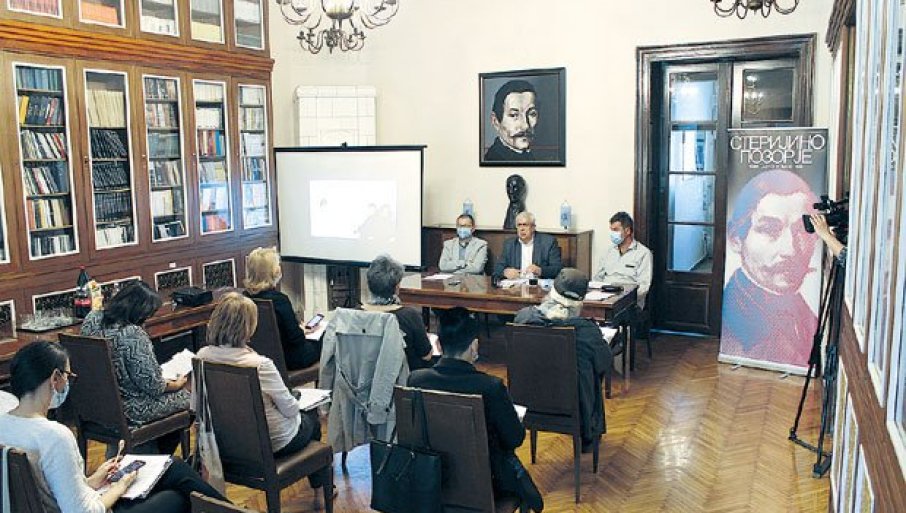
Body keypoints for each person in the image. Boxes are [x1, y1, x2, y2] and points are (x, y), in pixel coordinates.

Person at [0, 340, 228, 513]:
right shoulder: (55, 436)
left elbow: (51, 490)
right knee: (177, 496)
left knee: (174, 468)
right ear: (55, 379)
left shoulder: (4, 423)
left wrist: (93, 480)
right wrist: (120, 486)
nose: (68, 382)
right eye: (68, 376)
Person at [408, 307, 543, 512]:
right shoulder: (490, 387)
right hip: (486, 484)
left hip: (431, 481)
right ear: (474, 346)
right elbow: (514, 439)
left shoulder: (416, 380)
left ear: (438, 345)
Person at [195, 293, 329, 488]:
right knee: (311, 419)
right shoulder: (260, 365)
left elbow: (197, 406)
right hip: (274, 443)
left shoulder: (201, 357)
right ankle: (320, 485)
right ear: (248, 327)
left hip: (227, 445)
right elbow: (290, 409)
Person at [721, 169, 820, 366]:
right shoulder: (734, 330)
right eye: (769, 229)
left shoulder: (804, 313)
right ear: (736, 239)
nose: (790, 250)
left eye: (802, 230)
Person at [80, 280, 189, 454]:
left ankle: (122, 452)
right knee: (190, 399)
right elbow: (153, 386)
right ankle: (157, 456)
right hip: (131, 409)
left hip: (96, 406)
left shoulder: (92, 319)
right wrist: (176, 384)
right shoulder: (132, 334)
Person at [514, 268, 611, 452]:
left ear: (553, 291)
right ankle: (589, 435)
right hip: (574, 406)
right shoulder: (586, 331)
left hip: (531, 400)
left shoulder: (523, 318)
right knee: (592, 375)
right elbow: (604, 363)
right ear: (581, 300)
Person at [244, 247, 321, 370]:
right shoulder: (280, 300)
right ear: (275, 271)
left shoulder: (244, 297)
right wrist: (302, 332)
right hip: (289, 359)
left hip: (258, 356)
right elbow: (296, 340)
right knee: (327, 338)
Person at [364, 254, 434, 371]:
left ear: (369, 285)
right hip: (406, 377)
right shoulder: (409, 316)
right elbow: (426, 355)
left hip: (363, 375)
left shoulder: (354, 314)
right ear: (397, 287)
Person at [592, 211, 653, 310]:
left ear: (627, 231)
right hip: (606, 297)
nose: (613, 234)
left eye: (616, 230)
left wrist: (625, 300)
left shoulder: (643, 253)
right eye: (611, 230)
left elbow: (644, 286)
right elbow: (597, 278)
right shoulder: (608, 252)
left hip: (629, 302)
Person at [494, 211, 562, 279]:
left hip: (538, 283)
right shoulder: (510, 244)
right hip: (516, 283)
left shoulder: (548, 242)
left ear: (533, 227)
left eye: (525, 225)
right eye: (519, 225)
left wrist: (540, 270)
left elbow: (557, 268)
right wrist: (505, 272)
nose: (522, 229)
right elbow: (498, 267)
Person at [485, 80, 539, 162]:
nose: (525, 126)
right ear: (495, 121)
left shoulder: (532, 156)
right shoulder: (493, 158)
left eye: (532, 114)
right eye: (514, 115)